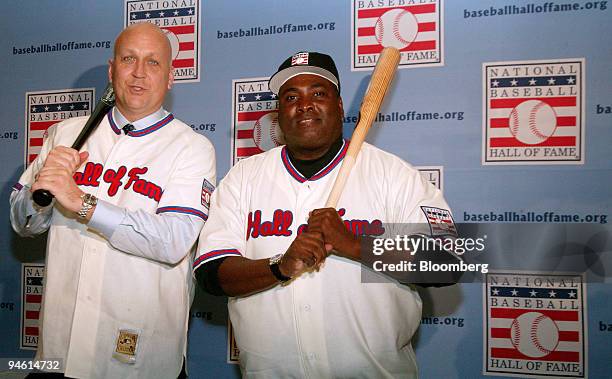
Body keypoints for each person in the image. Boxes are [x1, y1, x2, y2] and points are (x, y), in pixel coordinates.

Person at [194, 51, 456, 378]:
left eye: (318, 93)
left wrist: (356, 245)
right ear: (279, 112)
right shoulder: (242, 178)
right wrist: (279, 267)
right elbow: (211, 274)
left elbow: (450, 262)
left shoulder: (394, 174)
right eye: (291, 97)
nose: (304, 104)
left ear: (339, 105)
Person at [10, 23, 215, 378]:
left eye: (153, 63)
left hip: (140, 359)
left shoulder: (191, 147)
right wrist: (38, 194)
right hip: (58, 349)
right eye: (128, 59)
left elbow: (173, 241)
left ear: (170, 78)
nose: (138, 73)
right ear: (112, 69)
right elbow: (24, 223)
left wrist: (84, 203)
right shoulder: (66, 133)